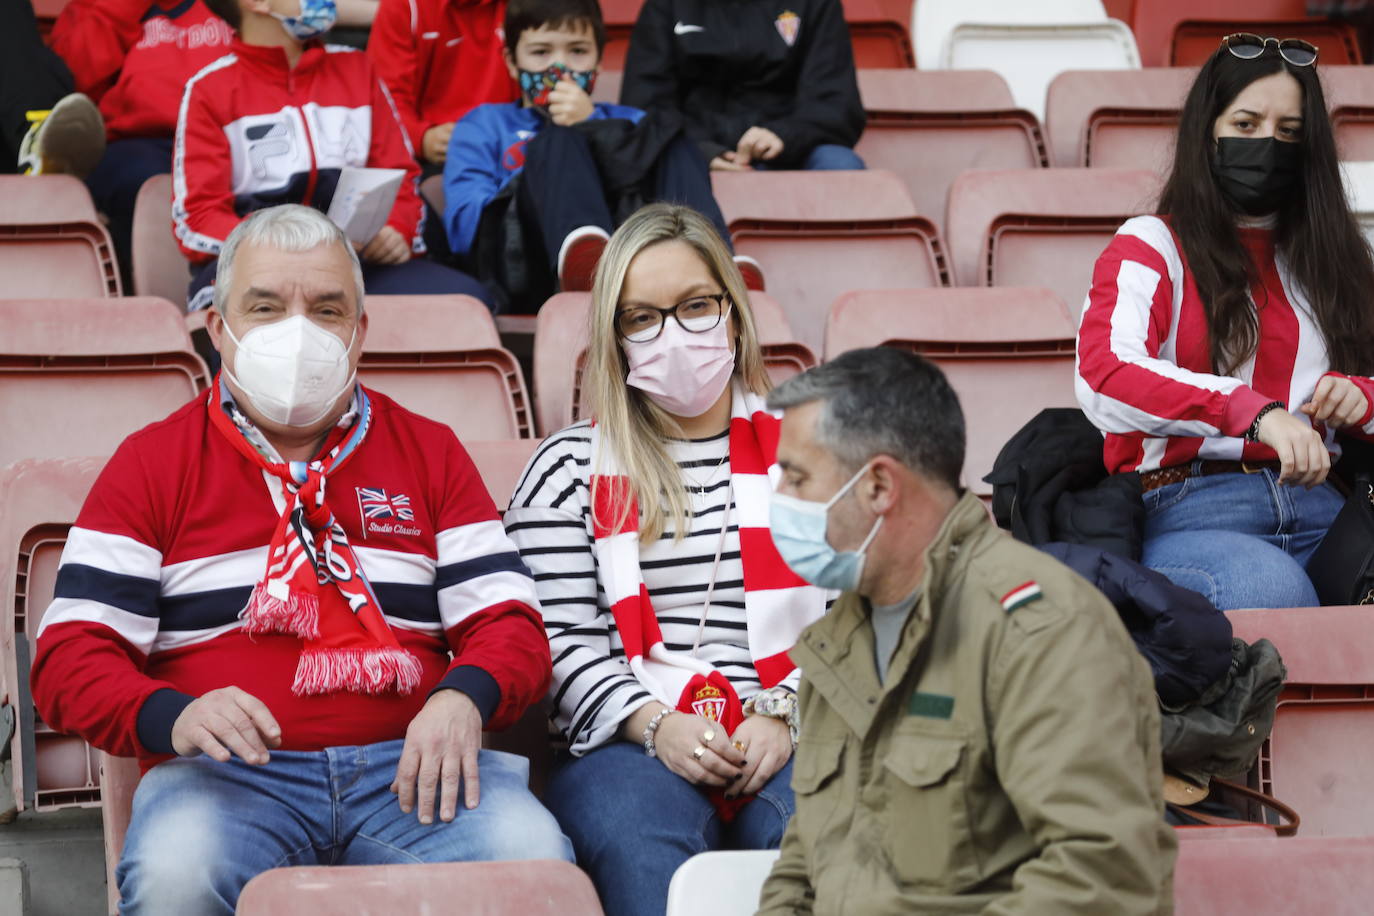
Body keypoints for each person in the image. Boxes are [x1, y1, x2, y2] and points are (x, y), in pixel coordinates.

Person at [30, 205, 571, 915]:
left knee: (535, 863)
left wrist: (461, 697)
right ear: (219, 329)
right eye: (265, 306)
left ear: (358, 332)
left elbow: (512, 626)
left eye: (326, 308)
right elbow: (69, 660)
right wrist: (172, 715)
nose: (299, 330)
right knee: (175, 876)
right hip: (223, 780)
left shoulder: (431, 451)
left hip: (417, 774)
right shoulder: (151, 463)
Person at [757, 347, 1177, 914]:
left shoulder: (1043, 632)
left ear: (879, 486)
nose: (777, 499)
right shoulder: (840, 641)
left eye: (796, 477)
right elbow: (804, 865)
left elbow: (1100, 878)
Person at [504, 203, 827, 916]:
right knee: (639, 837)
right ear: (614, 339)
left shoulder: (818, 451)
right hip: (626, 742)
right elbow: (556, 640)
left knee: (821, 833)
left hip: (800, 725)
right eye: (641, 317)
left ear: (734, 316)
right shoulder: (565, 468)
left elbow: (864, 612)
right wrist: (656, 724)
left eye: (695, 307)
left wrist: (784, 712)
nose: (672, 333)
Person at [1076, 34, 1374, 610]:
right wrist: (1252, 413)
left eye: (1289, 132)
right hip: (1184, 506)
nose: (1268, 145)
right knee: (1274, 590)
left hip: (1326, 511)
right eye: (1245, 124)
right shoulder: (1151, 244)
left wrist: (1362, 400)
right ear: (1207, 132)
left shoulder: (1339, 262)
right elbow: (1104, 374)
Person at [178, 0, 492, 312]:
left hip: (360, 264)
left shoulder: (358, 69)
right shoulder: (208, 90)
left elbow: (400, 177)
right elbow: (199, 217)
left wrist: (396, 231)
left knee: (469, 304)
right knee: (262, 320)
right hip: (258, 269)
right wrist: (289, 249)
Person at [443, 0, 742, 309]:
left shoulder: (632, 122)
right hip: (526, 267)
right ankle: (583, 260)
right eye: (540, 52)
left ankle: (713, 261)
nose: (560, 69)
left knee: (672, 140)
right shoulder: (483, 125)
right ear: (511, 61)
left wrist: (590, 127)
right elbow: (470, 229)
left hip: (635, 257)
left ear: (599, 60)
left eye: (577, 51)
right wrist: (543, 173)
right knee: (557, 140)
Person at [48, 0, 235, 282]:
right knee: (145, 187)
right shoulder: (97, 6)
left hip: (233, 136)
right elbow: (71, 85)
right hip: (141, 142)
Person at [620, 0, 865, 172]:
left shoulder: (816, 4)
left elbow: (836, 104)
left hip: (793, 152)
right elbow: (645, 103)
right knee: (655, 168)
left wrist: (782, 135)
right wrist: (701, 151)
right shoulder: (666, 5)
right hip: (691, 154)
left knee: (841, 165)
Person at [368, 0, 516, 167]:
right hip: (432, 159)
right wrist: (423, 138)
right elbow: (385, 99)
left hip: (516, 144)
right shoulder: (404, 5)